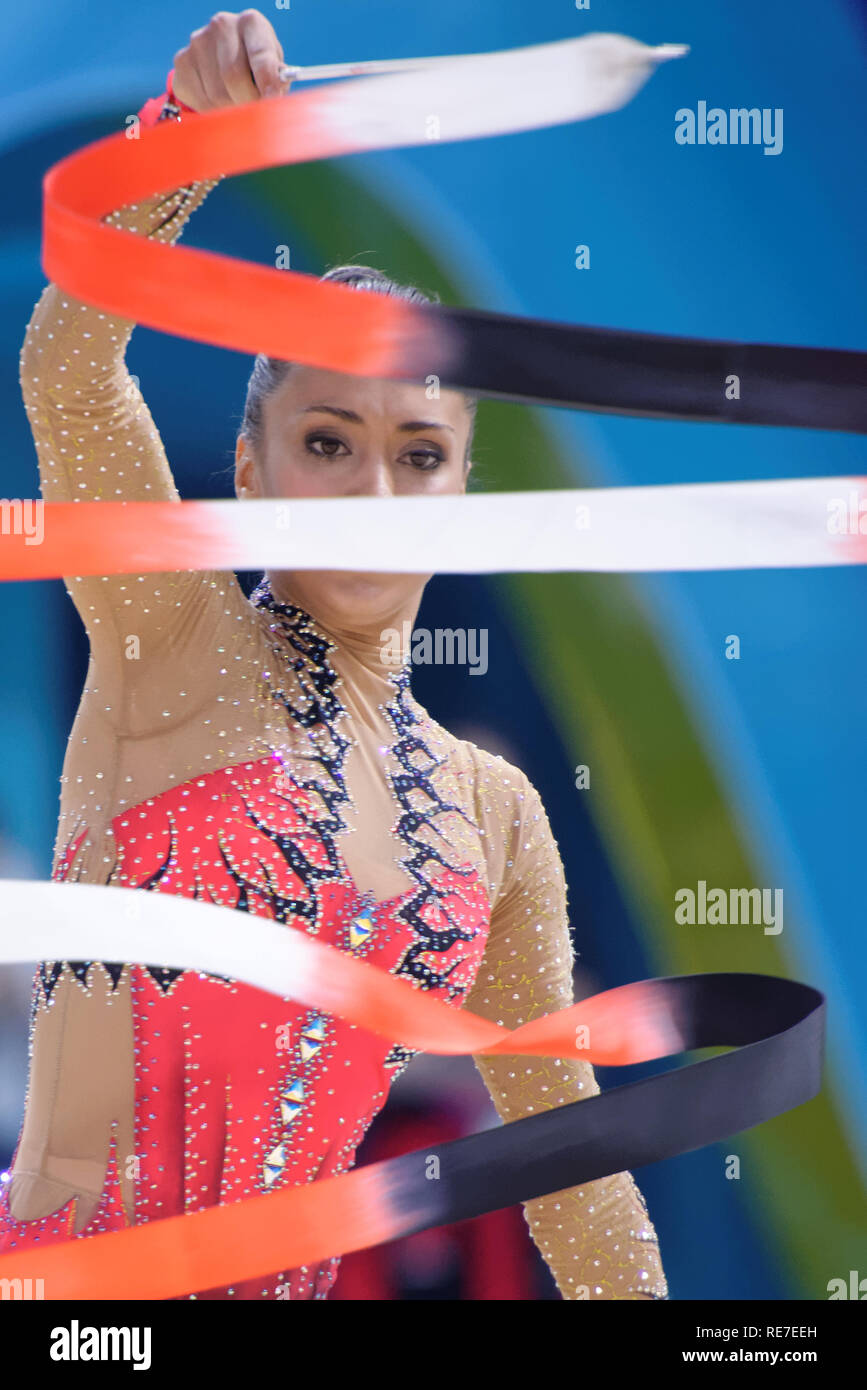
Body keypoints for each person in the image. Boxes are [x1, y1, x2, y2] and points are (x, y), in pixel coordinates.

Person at [0, 8, 667, 1300]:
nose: (372, 488)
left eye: (417, 454)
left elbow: (575, 1177)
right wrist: (182, 141)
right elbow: (72, 370)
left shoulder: (494, 815)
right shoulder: (172, 637)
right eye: (326, 441)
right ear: (250, 469)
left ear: (462, 493)